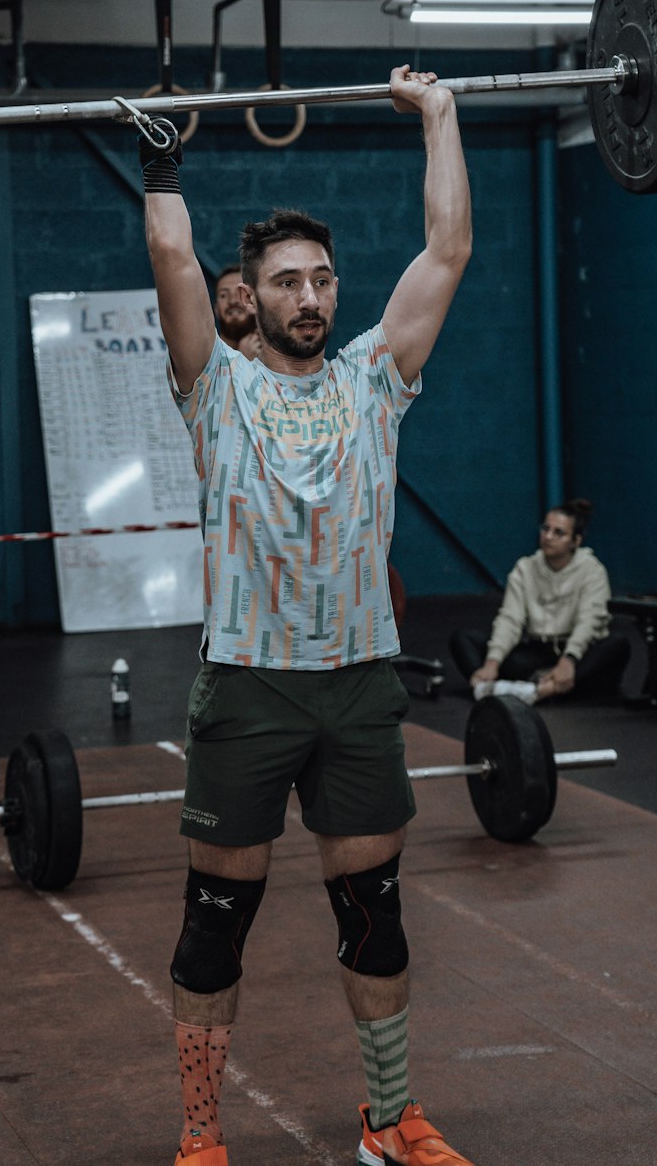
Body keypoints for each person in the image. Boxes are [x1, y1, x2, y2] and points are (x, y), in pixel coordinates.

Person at [142, 66, 474, 1166]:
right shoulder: (216, 389)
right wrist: (160, 164)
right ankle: (201, 1136)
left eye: (323, 280)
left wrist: (440, 114)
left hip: (361, 682)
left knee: (372, 911)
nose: (310, 298)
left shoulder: (375, 379)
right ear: (257, 294)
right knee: (215, 922)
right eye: (287, 282)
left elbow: (446, 252)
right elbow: (174, 260)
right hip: (247, 682)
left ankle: (389, 1122)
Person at [450, 499, 630, 704]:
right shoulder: (525, 568)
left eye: (558, 533)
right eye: (545, 528)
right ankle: (536, 688)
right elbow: (510, 619)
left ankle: (540, 689)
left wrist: (569, 660)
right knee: (463, 639)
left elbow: (589, 620)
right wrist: (493, 662)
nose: (548, 537)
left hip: (578, 654)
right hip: (538, 653)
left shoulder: (592, 570)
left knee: (617, 645)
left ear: (576, 541)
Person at [212, 263, 262, 360]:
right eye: (223, 295)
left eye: (241, 293)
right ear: (216, 309)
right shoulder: (205, 356)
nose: (233, 301)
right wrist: (242, 360)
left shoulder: (280, 352)